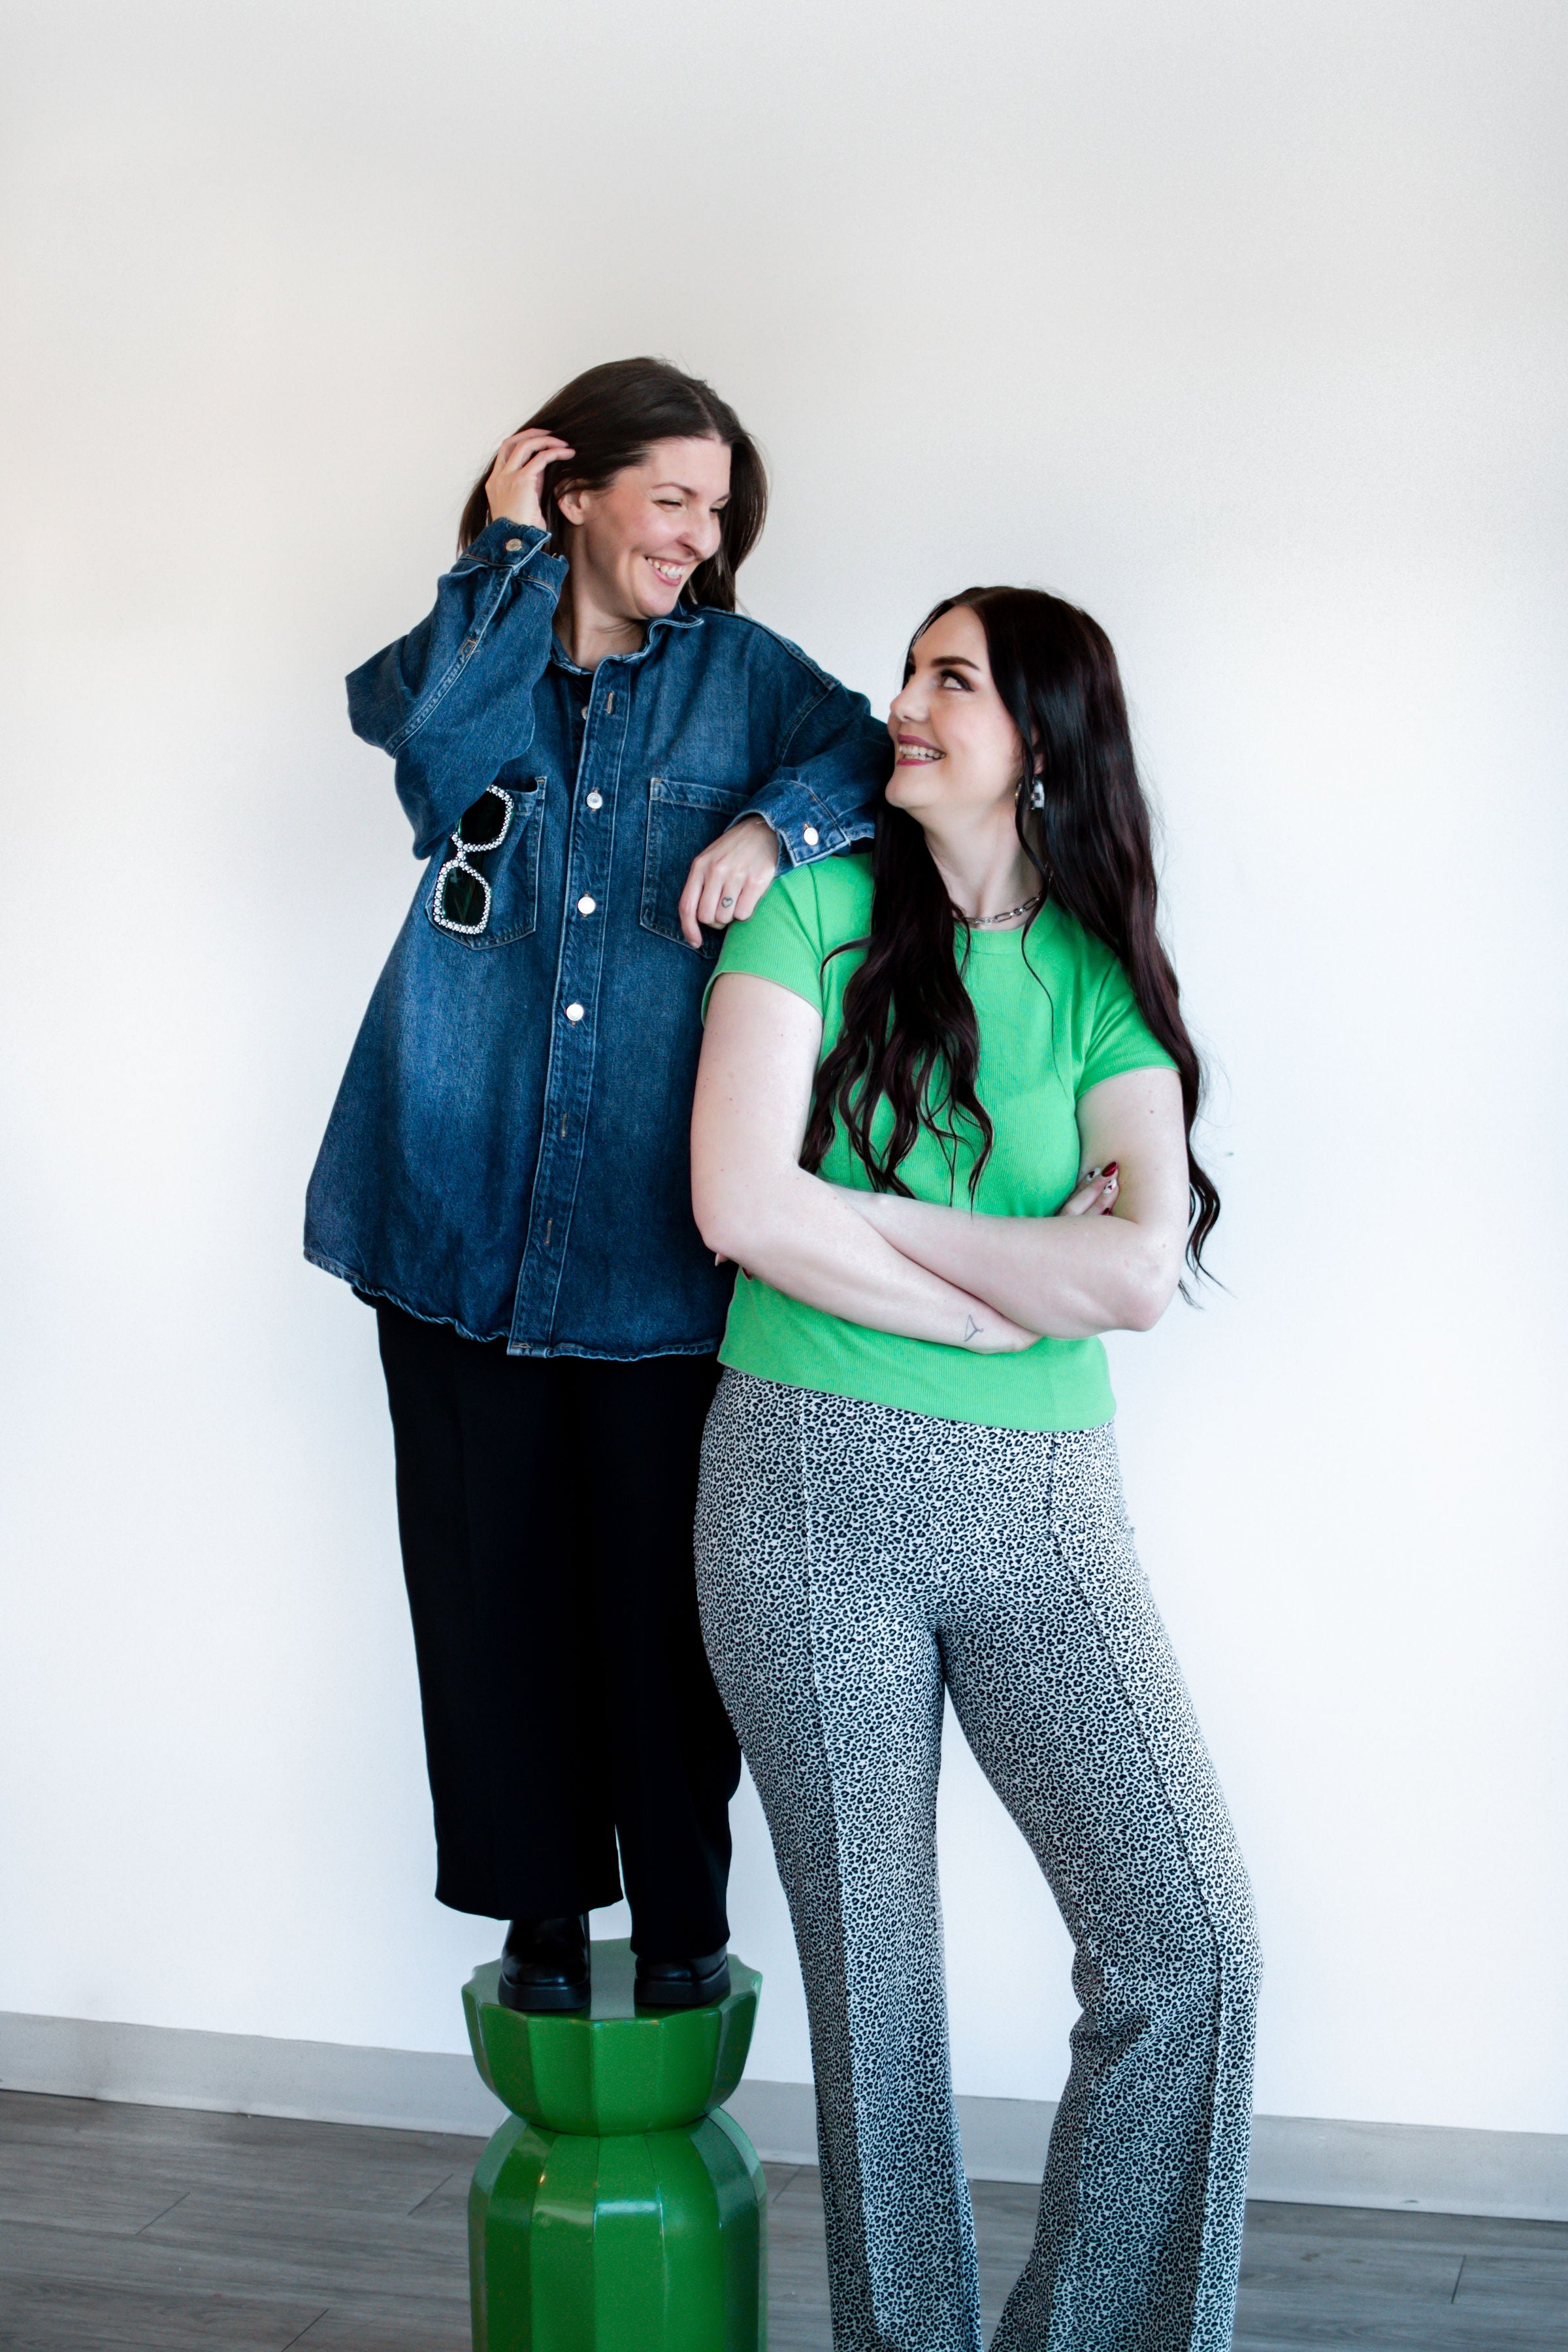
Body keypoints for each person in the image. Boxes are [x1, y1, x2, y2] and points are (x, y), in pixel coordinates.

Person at [691, 586, 1260, 2349]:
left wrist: (856, 1215)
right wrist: (975, 1297)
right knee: (881, 2006)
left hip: (1046, 1516)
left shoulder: (1099, 979)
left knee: (1196, 1951)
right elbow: (731, 1201)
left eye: (955, 679)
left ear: (1043, 743)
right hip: (802, 1490)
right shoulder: (809, 909)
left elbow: (1135, 1274)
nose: (907, 704)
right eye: (910, 672)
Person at [305, 358, 889, 2013]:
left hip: (649, 1241)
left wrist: (777, 830)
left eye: (719, 510)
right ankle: (543, 1925)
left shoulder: (748, 682)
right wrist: (495, 558)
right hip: (453, 1209)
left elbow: (867, 758)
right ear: (574, 493)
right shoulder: (468, 649)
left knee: (661, 1607)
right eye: (673, 501)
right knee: (493, 1592)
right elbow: (434, 766)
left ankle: (686, 1930)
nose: (700, 538)